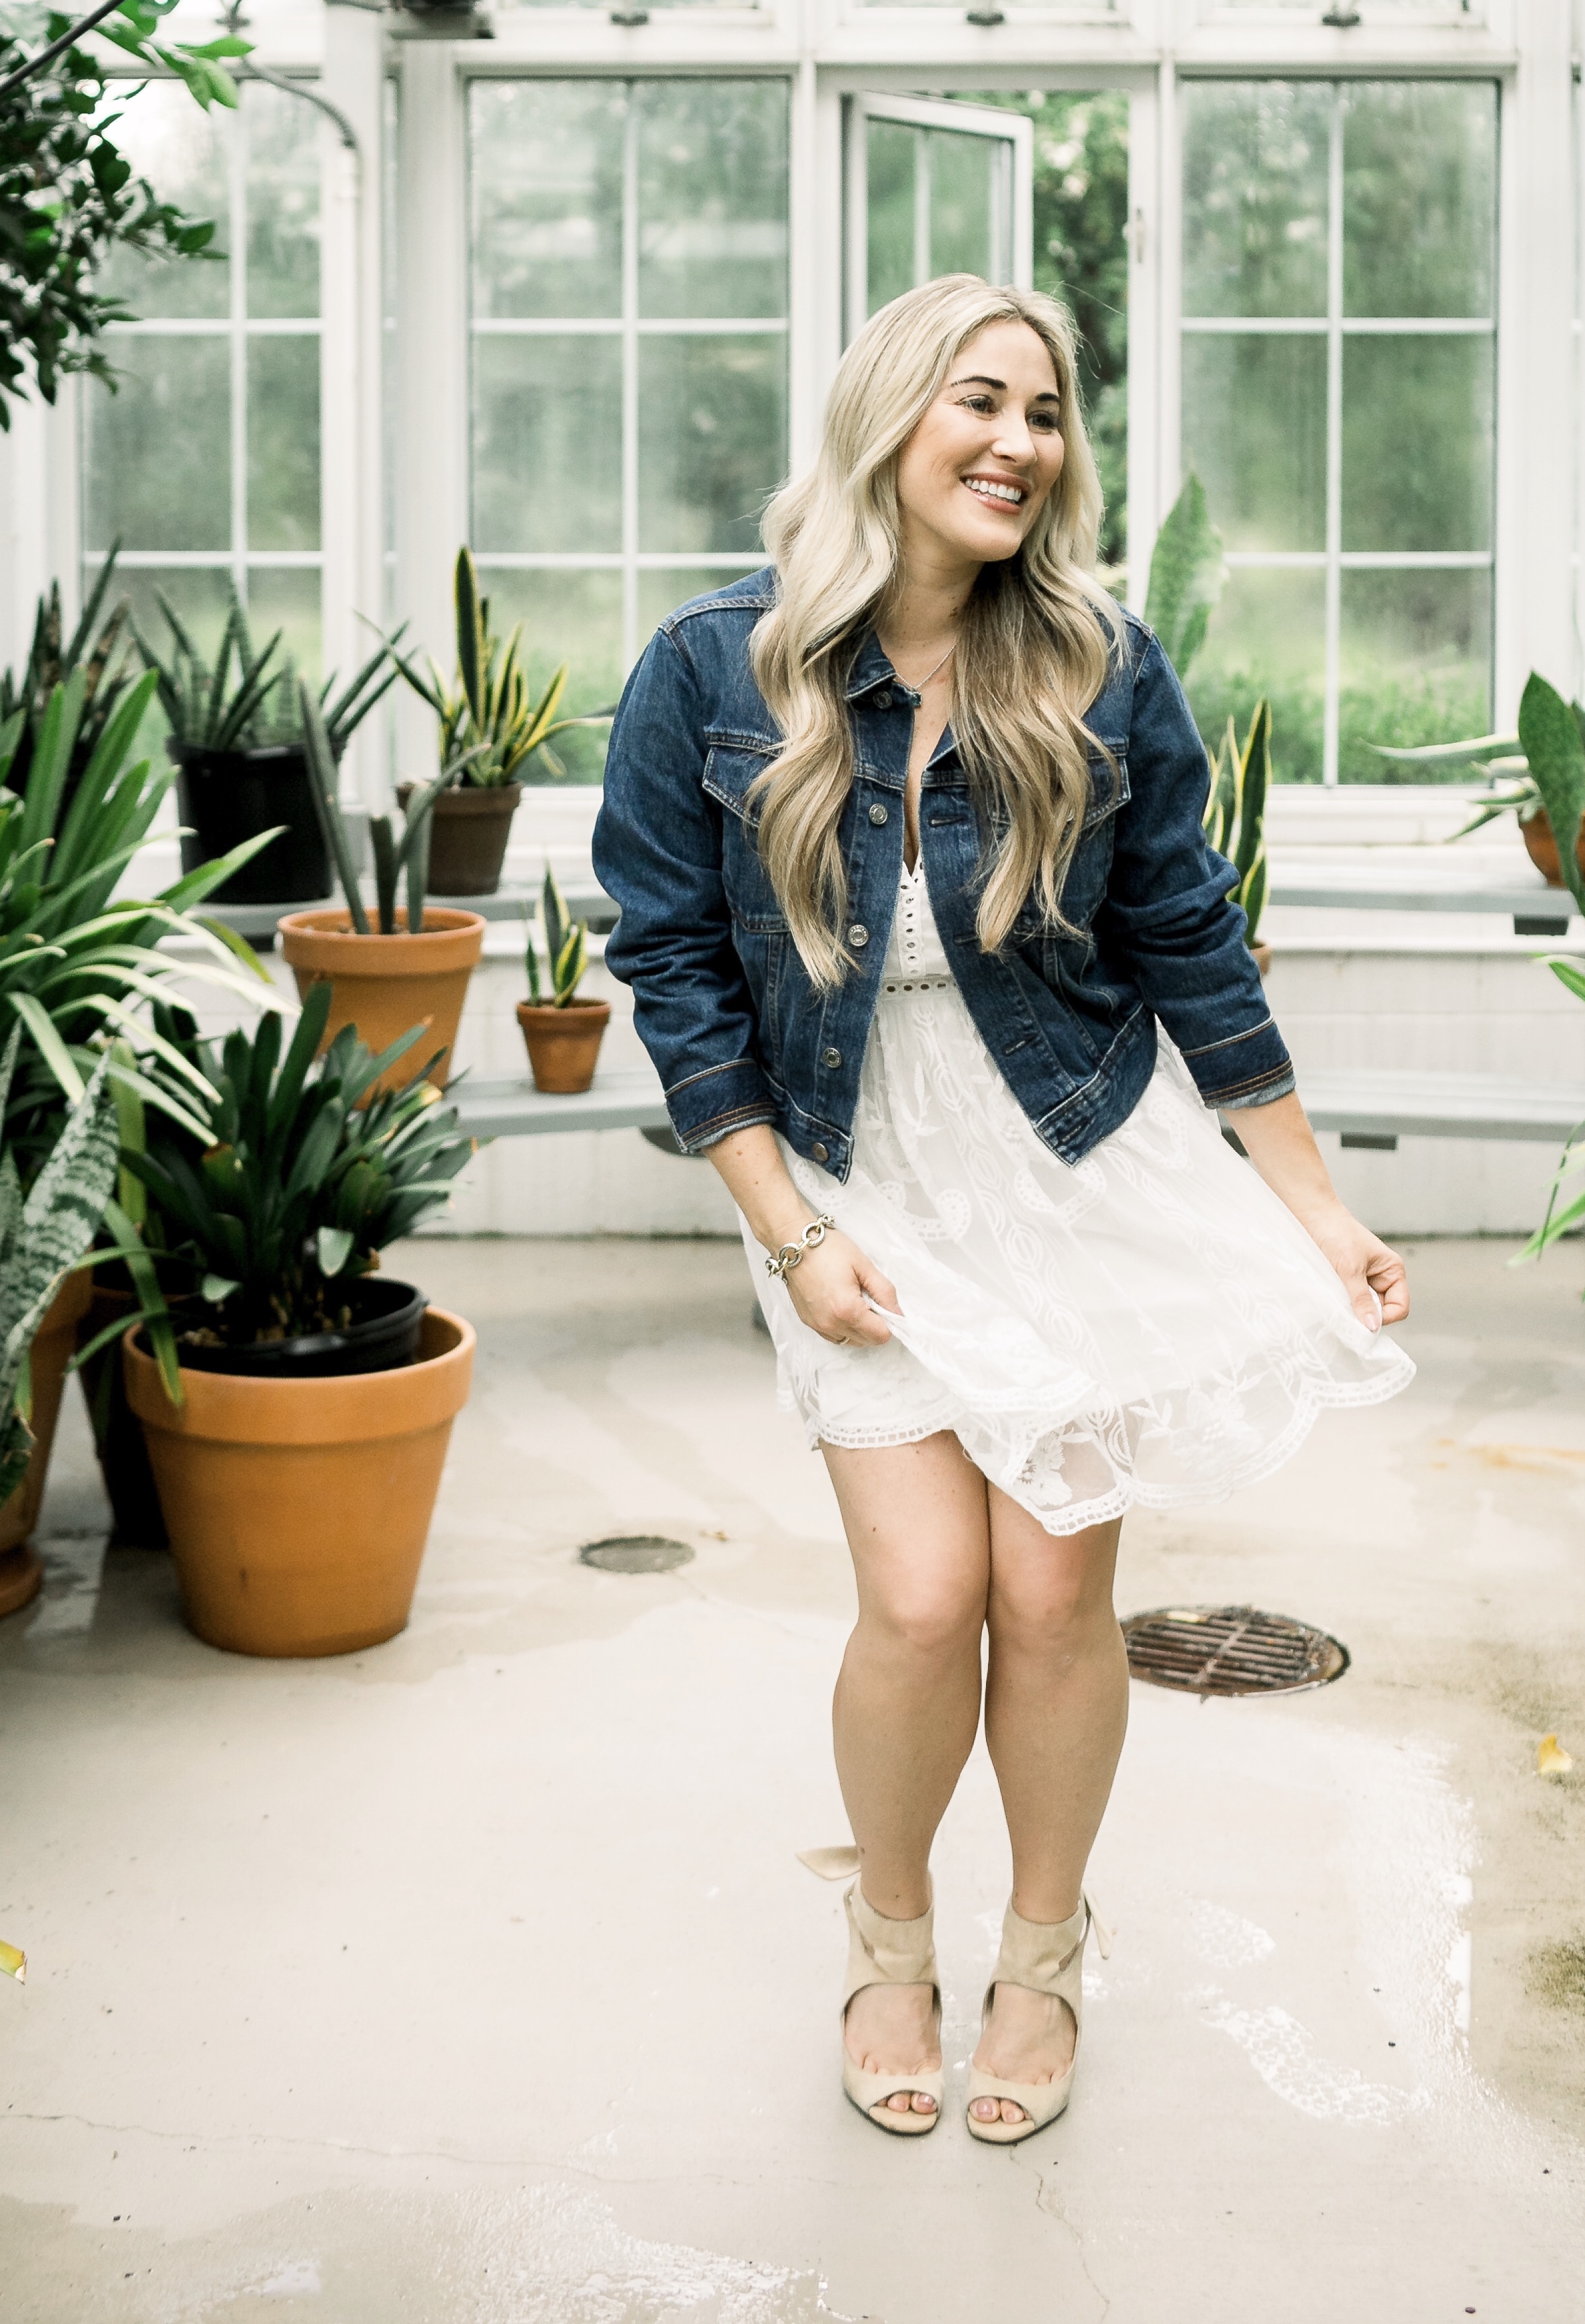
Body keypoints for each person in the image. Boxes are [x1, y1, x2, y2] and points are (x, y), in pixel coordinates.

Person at [592, 274, 1412, 2145]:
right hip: (838, 1161)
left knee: (1053, 1591)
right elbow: (670, 966)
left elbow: (1188, 939)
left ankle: (1040, 1954)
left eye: (1045, 415)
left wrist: (1313, 1206)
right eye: (982, 402)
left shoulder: (1098, 663)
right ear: (891, 419)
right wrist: (790, 1231)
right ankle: (893, 1940)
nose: (1019, 445)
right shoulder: (715, 668)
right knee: (924, 1591)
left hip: (1069, 1150)